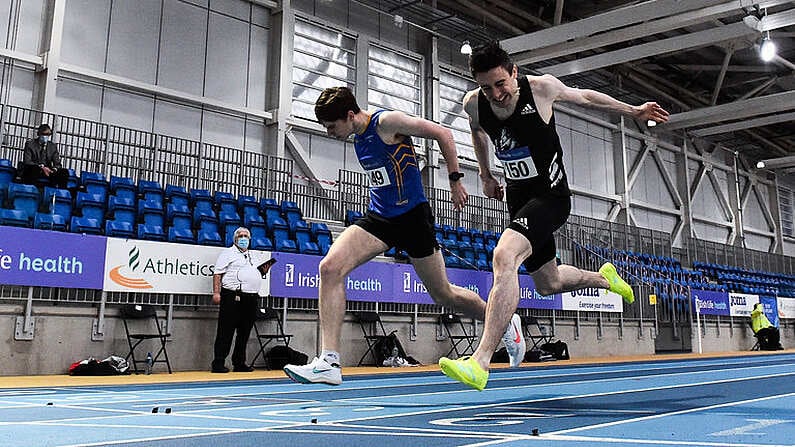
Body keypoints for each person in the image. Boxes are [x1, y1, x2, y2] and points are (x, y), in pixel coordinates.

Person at [439, 41, 670, 391]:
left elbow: (588, 98)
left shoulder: (541, 89)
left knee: (504, 256)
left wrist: (634, 109)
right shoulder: (474, 103)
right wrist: (485, 174)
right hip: (518, 198)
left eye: (501, 83)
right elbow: (476, 130)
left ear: (514, 72)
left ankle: (480, 361)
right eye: (487, 87)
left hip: (551, 196)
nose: (496, 94)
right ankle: (605, 279)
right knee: (549, 284)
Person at [283, 86, 526, 385]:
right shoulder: (358, 136)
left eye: (332, 127)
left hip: (412, 218)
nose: (331, 133)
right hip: (380, 217)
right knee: (329, 268)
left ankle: (504, 323)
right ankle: (329, 362)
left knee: (444, 294)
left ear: (349, 115)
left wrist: (454, 181)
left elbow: (443, 134)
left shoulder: (386, 123)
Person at [211, 227, 273, 373]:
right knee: (225, 331)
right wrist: (216, 292)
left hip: (250, 297)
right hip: (232, 296)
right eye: (240, 235)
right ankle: (218, 362)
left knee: (244, 332)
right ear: (235, 238)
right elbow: (217, 273)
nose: (243, 238)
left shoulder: (253, 255)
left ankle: (239, 362)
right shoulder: (228, 253)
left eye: (246, 236)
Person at [20, 124, 69, 189]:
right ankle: (31, 190)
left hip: (48, 170)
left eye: (48, 134)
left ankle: (58, 193)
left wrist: (53, 170)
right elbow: (27, 161)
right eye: (43, 134)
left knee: (64, 172)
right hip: (36, 168)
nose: (45, 136)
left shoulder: (52, 146)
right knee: (32, 169)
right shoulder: (30, 144)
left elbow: (58, 164)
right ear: (39, 134)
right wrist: (42, 167)